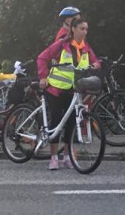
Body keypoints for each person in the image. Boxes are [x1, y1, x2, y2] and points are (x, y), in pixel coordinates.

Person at [37, 16, 101, 170]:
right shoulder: (61, 45)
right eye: (82, 29)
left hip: (74, 90)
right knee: (57, 122)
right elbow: (42, 58)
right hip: (56, 89)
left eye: (86, 29)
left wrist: (96, 64)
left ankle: (67, 157)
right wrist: (43, 77)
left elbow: (96, 61)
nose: (85, 32)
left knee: (72, 123)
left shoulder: (85, 47)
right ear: (73, 29)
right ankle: (53, 158)